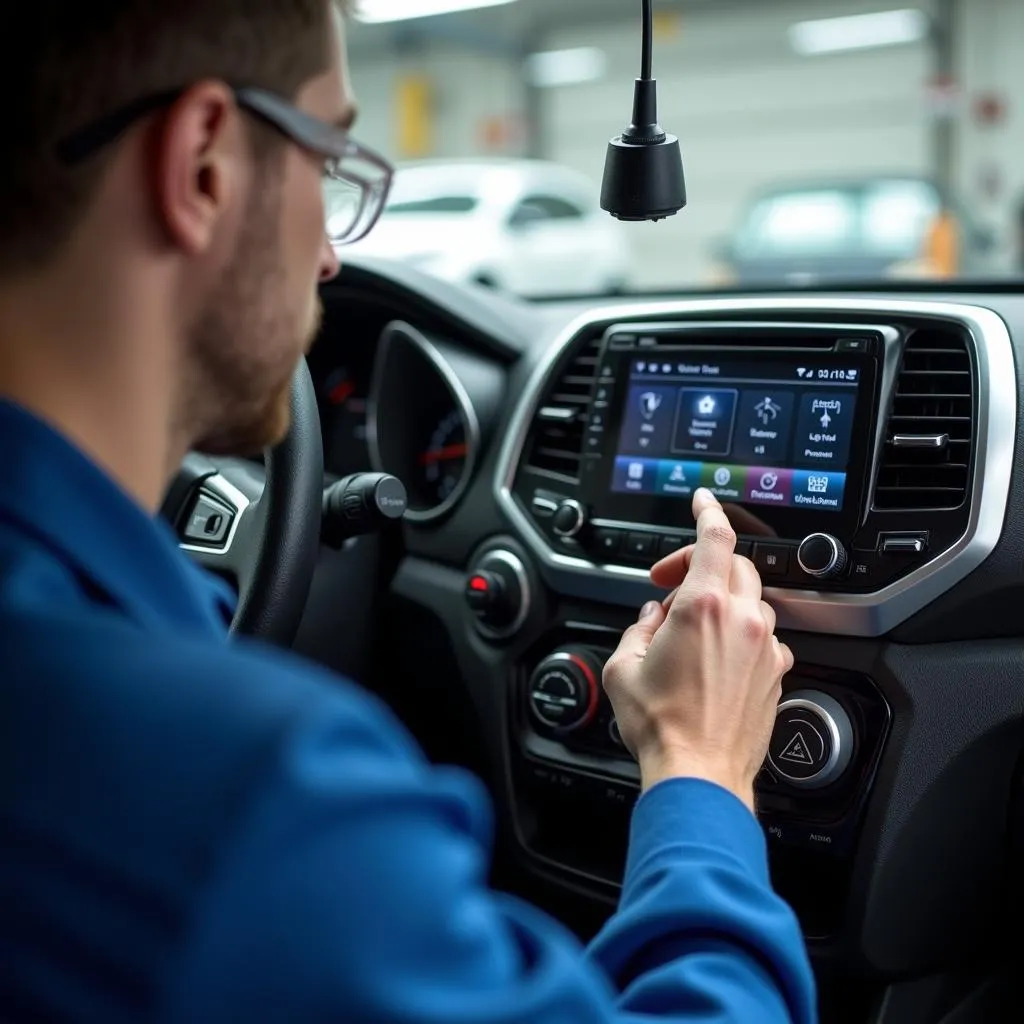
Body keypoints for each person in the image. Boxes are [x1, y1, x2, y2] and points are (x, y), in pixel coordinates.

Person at [0, 2, 813, 1021]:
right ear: (203, 166)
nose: (334, 259)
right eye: (327, 158)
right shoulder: (250, 795)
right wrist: (700, 766)